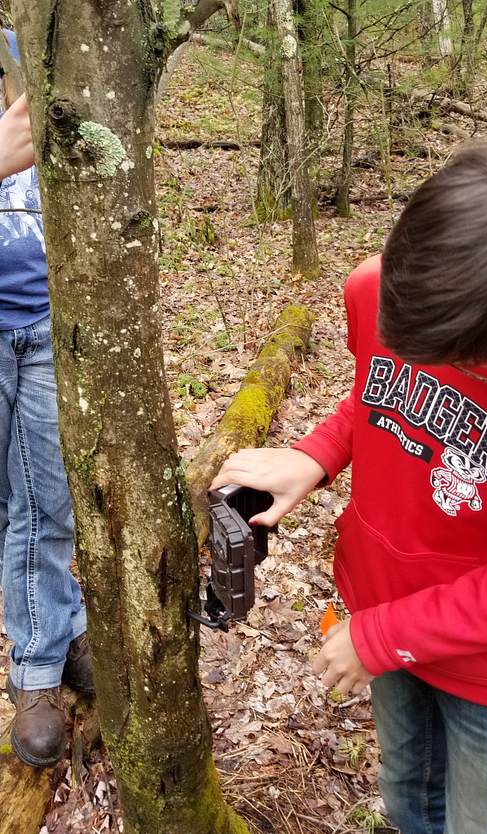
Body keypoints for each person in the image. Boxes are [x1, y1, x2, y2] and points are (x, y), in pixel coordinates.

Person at [211, 143, 487, 834]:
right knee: (407, 800)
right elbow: (377, 392)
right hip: (381, 599)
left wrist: (380, 638)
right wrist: (316, 455)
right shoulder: (384, 287)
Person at [0, 29, 94, 769]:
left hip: (41, 320)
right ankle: (48, 631)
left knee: (46, 500)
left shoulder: (22, 53)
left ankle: (39, 663)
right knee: (13, 506)